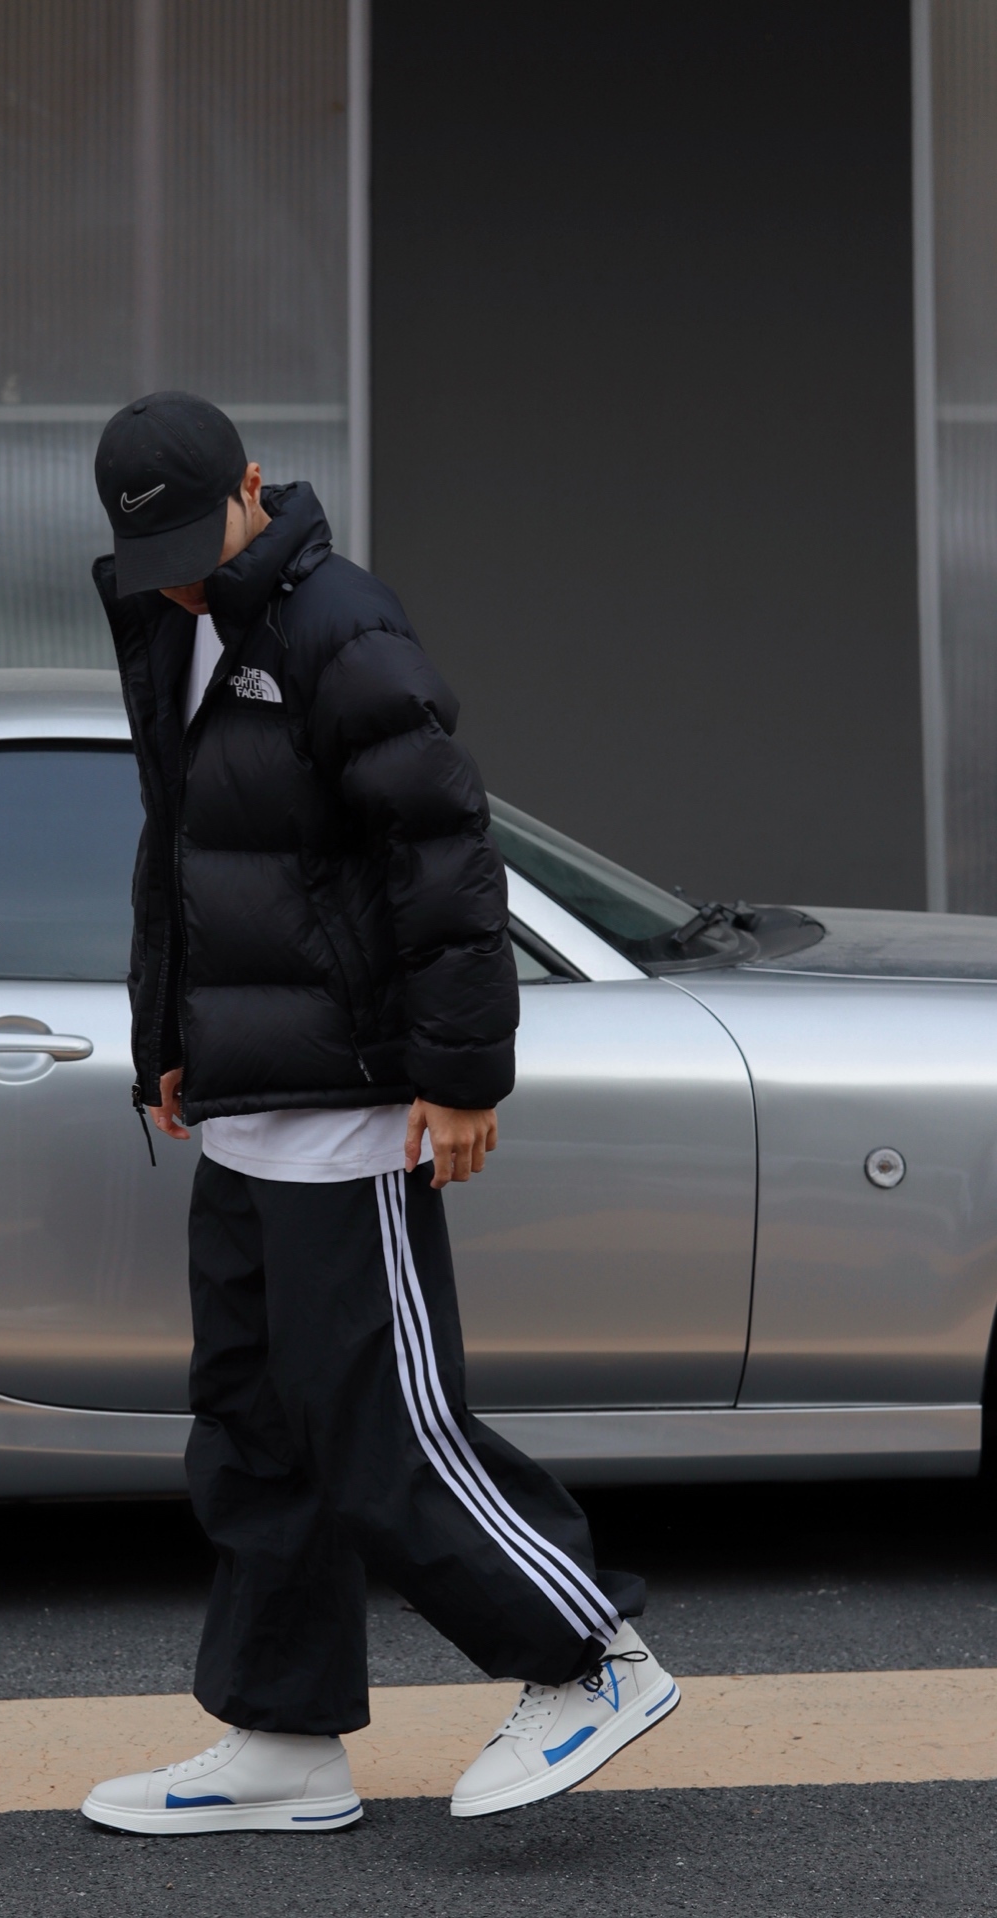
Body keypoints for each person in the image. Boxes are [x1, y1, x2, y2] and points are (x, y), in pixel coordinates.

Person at [81, 393, 678, 1834]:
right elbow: (184, 848)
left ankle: (588, 1655)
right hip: (246, 1103)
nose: (176, 576)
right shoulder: (171, 623)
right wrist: (171, 1041)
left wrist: (462, 1074)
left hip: (350, 1110)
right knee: (251, 1432)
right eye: (151, 555)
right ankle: (284, 1739)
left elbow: (444, 847)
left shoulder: (339, 623)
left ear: (253, 487)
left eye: (193, 543)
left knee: (383, 1433)